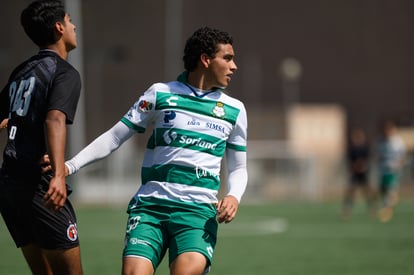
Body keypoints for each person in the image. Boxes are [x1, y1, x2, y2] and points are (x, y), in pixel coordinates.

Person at [57, 26, 248, 274]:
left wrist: (234, 196)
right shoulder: (160, 94)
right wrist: (69, 165)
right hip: (151, 210)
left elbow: (239, 167)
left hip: (198, 213)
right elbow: (115, 136)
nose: (234, 66)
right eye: (228, 58)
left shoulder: (235, 110)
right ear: (205, 59)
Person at [0, 1, 83, 274]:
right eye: (70, 21)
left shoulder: (20, 72)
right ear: (59, 28)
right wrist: (59, 174)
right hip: (39, 184)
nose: (74, 26)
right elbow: (54, 118)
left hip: (10, 185)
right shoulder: (63, 72)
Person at [341, 127, 375, 220]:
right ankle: (347, 210)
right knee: (351, 191)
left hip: (363, 173)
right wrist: (354, 167)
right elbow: (350, 161)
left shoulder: (365, 148)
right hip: (355, 173)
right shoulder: (352, 149)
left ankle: (372, 208)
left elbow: (367, 160)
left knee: (367, 191)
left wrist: (362, 166)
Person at [376, 120, 406, 223]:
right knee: (383, 190)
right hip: (384, 170)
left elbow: (402, 157)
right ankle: (389, 204)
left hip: (393, 170)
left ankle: (387, 210)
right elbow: (380, 156)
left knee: (391, 190)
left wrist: (398, 166)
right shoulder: (381, 141)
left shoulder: (398, 142)